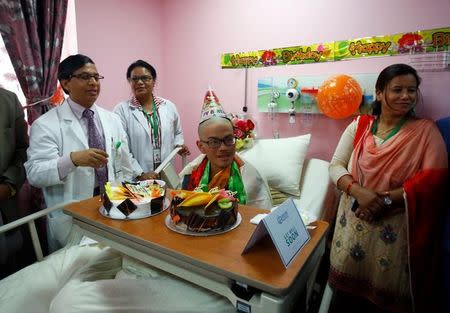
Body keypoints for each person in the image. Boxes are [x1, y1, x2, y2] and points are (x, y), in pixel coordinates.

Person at [327, 64, 448, 312]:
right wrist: (358, 192)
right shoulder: (359, 126)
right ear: (380, 93)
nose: (406, 96)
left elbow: (433, 181)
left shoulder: (425, 131)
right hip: (353, 222)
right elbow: (335, 166)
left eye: (411, 90)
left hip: (394, 230)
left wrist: (384, 201)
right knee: (348, 300)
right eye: (398, 90)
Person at [25, 54, 153, 252]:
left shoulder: (112, 119)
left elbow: (125, 162)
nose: (93, 83)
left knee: (120, 258)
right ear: (66, 83)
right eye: (85, 77)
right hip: (74, 213)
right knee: (81, 269)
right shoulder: (46, 125)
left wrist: (134, 198)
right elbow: (35, 174)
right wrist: (72, 160)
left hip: (116, 204)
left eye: (96, 77)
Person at [180, 88, 272, 209]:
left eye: (228, 139)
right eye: (214, 142)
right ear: (201, 147)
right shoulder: (190, 175)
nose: (223, 148)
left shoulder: (251, 179)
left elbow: (259, 217)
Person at [114, 60, 189, 176]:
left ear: (154, 81)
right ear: (129, 81)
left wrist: (178, 145)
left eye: (145, 78)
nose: (140, 82)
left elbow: (177, 132)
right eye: (135, 79)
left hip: (167, 173)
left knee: (168, 193)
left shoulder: (168, 106)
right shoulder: (121, 111)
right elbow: (122, 149)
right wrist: (140, 173)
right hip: (138, 178)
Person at [0, 87, 28, 277]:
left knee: (8, 275)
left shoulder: (8, 100)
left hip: (3, 202)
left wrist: (9, 185)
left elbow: (23, 150)